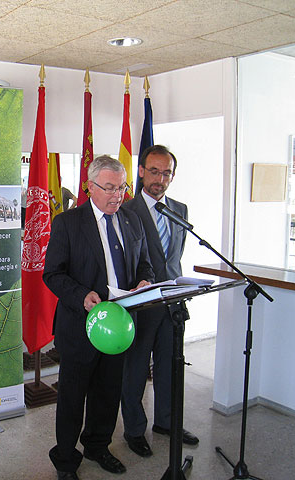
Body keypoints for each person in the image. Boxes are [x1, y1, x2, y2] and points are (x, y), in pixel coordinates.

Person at [43, 155, 154, 480]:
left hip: (119, 326)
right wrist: (81, 296)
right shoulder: (68, 222)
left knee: (107, 394)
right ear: (91, 187)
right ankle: (65, 459)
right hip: (81, 327)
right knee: (73, 399)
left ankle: (97, 445)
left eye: (122, 188)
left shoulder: (132, 220)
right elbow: (52, 274)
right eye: (109, 188)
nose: (117, 195)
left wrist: (143, 281)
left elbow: (144, 262)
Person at [120, 145, 199, 458]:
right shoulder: (126, 211)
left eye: (166, 172)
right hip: (142, 306)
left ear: (173, 176)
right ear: (140, 171)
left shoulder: (180, 209)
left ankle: (167, 422)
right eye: (153, 171)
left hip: (173, 305)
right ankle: (134, 430)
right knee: (136, 371)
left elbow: (174, 258)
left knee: (171, 367)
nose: (159, 178)